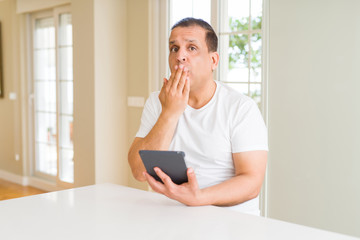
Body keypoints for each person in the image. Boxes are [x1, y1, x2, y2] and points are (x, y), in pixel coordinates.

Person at [128, 17, 268, 215]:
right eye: (174, 48)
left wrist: (198, 198)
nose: (180, 56)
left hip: (230, 223)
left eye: (191, 48)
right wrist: (169, 113)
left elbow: (252, 182)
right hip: (171, 218)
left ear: (213, 60)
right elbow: (138, 171)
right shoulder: (156, 102)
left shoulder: (241, 108)